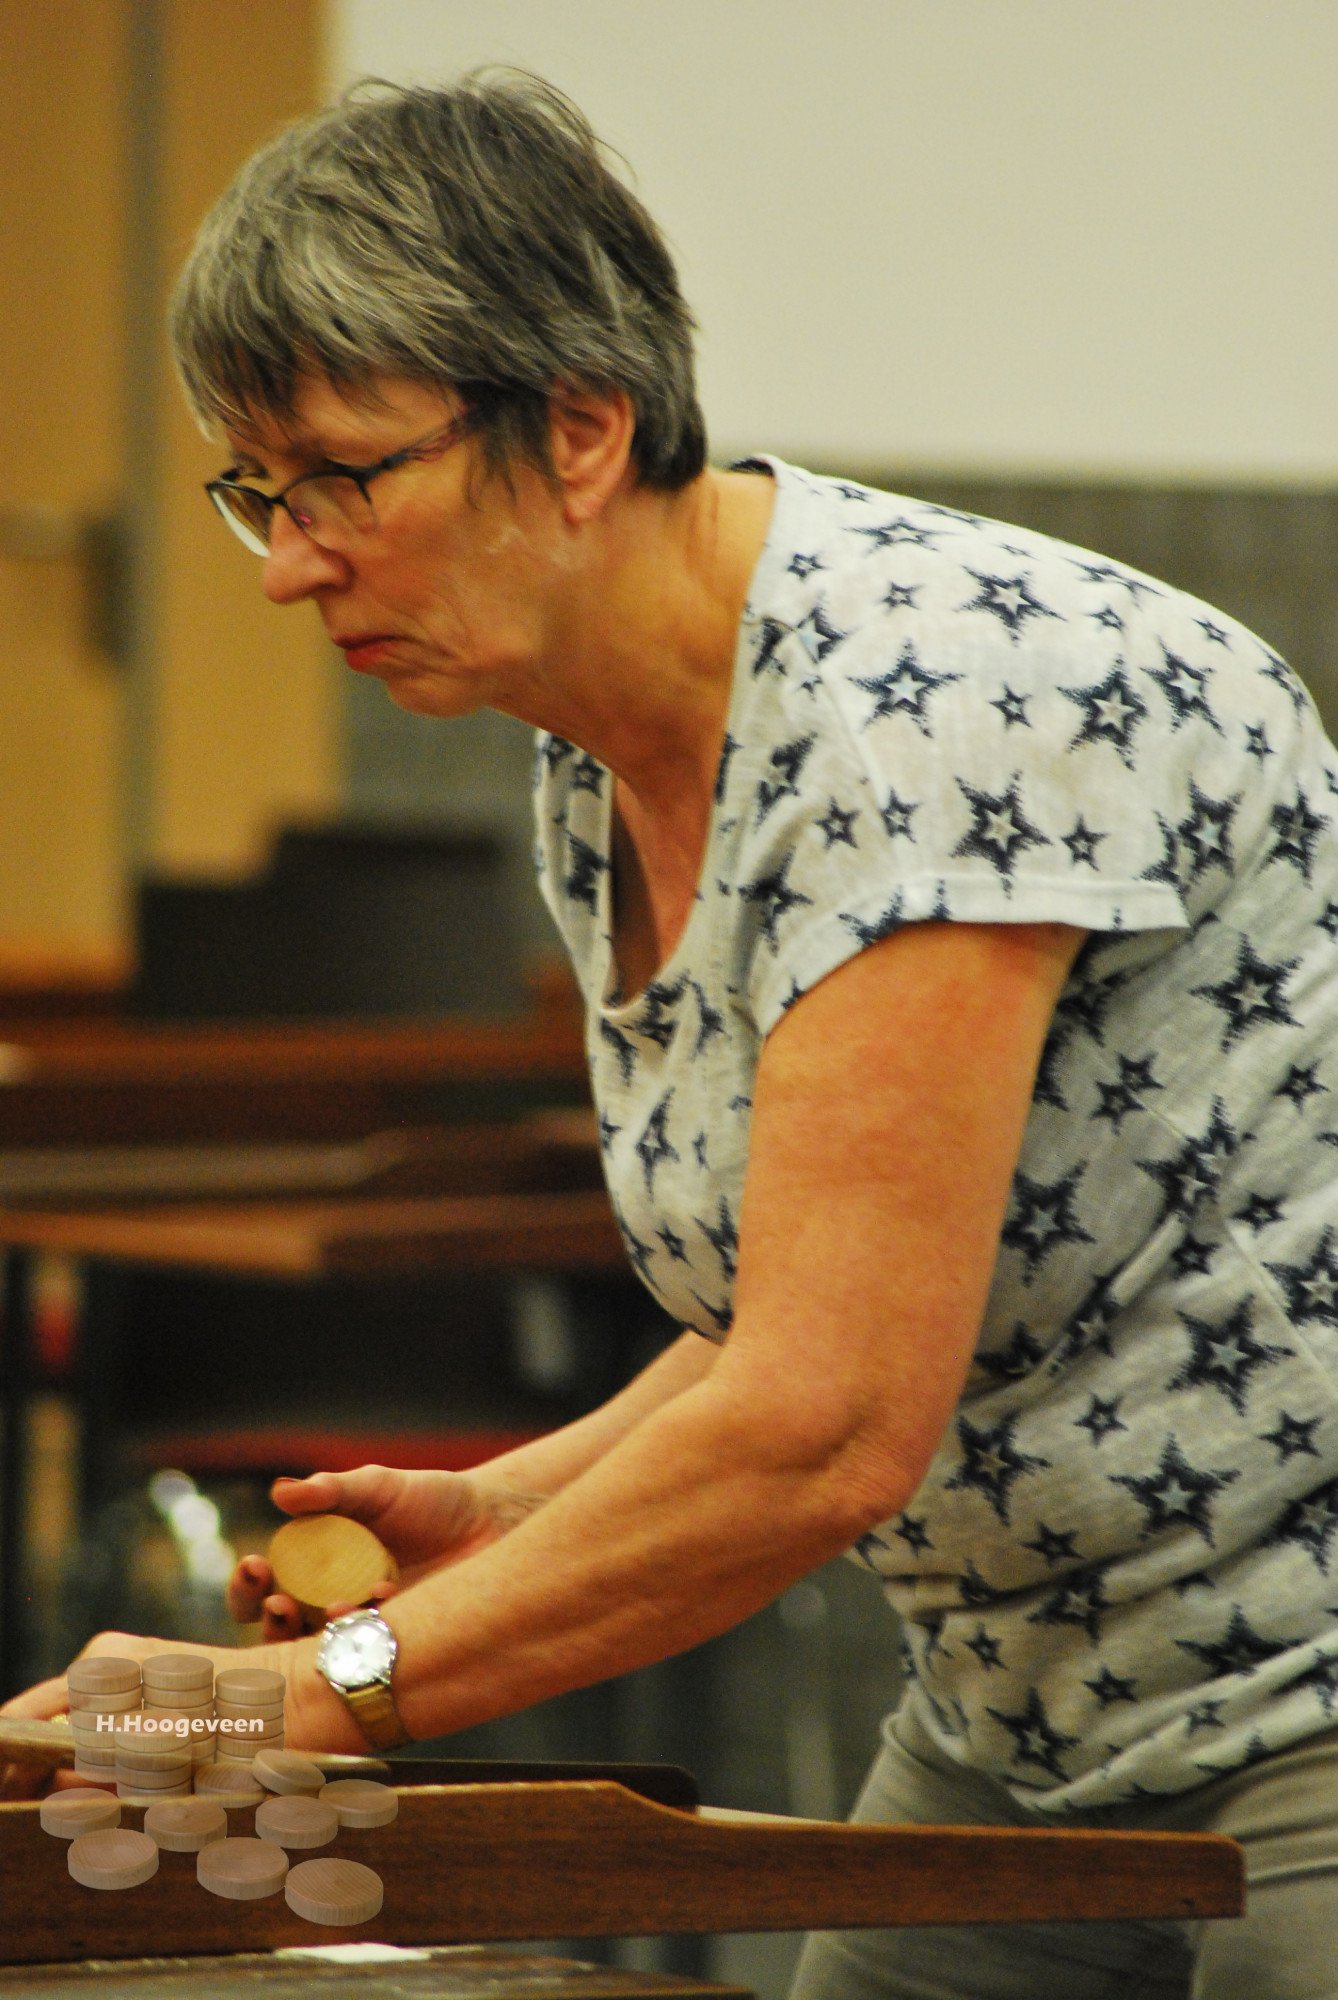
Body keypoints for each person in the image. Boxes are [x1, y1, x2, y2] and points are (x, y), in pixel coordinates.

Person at [5, 69, 1338, 1997]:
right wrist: (513, 1508)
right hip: (1031, 1709)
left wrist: (287, 1703)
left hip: (1305, 1698)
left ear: (579, 427)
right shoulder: (601, 752)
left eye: (345, 480)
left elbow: (821, 1428)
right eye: (258, 495)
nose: (289, 563)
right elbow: (808, 1296)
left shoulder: (931, 716)